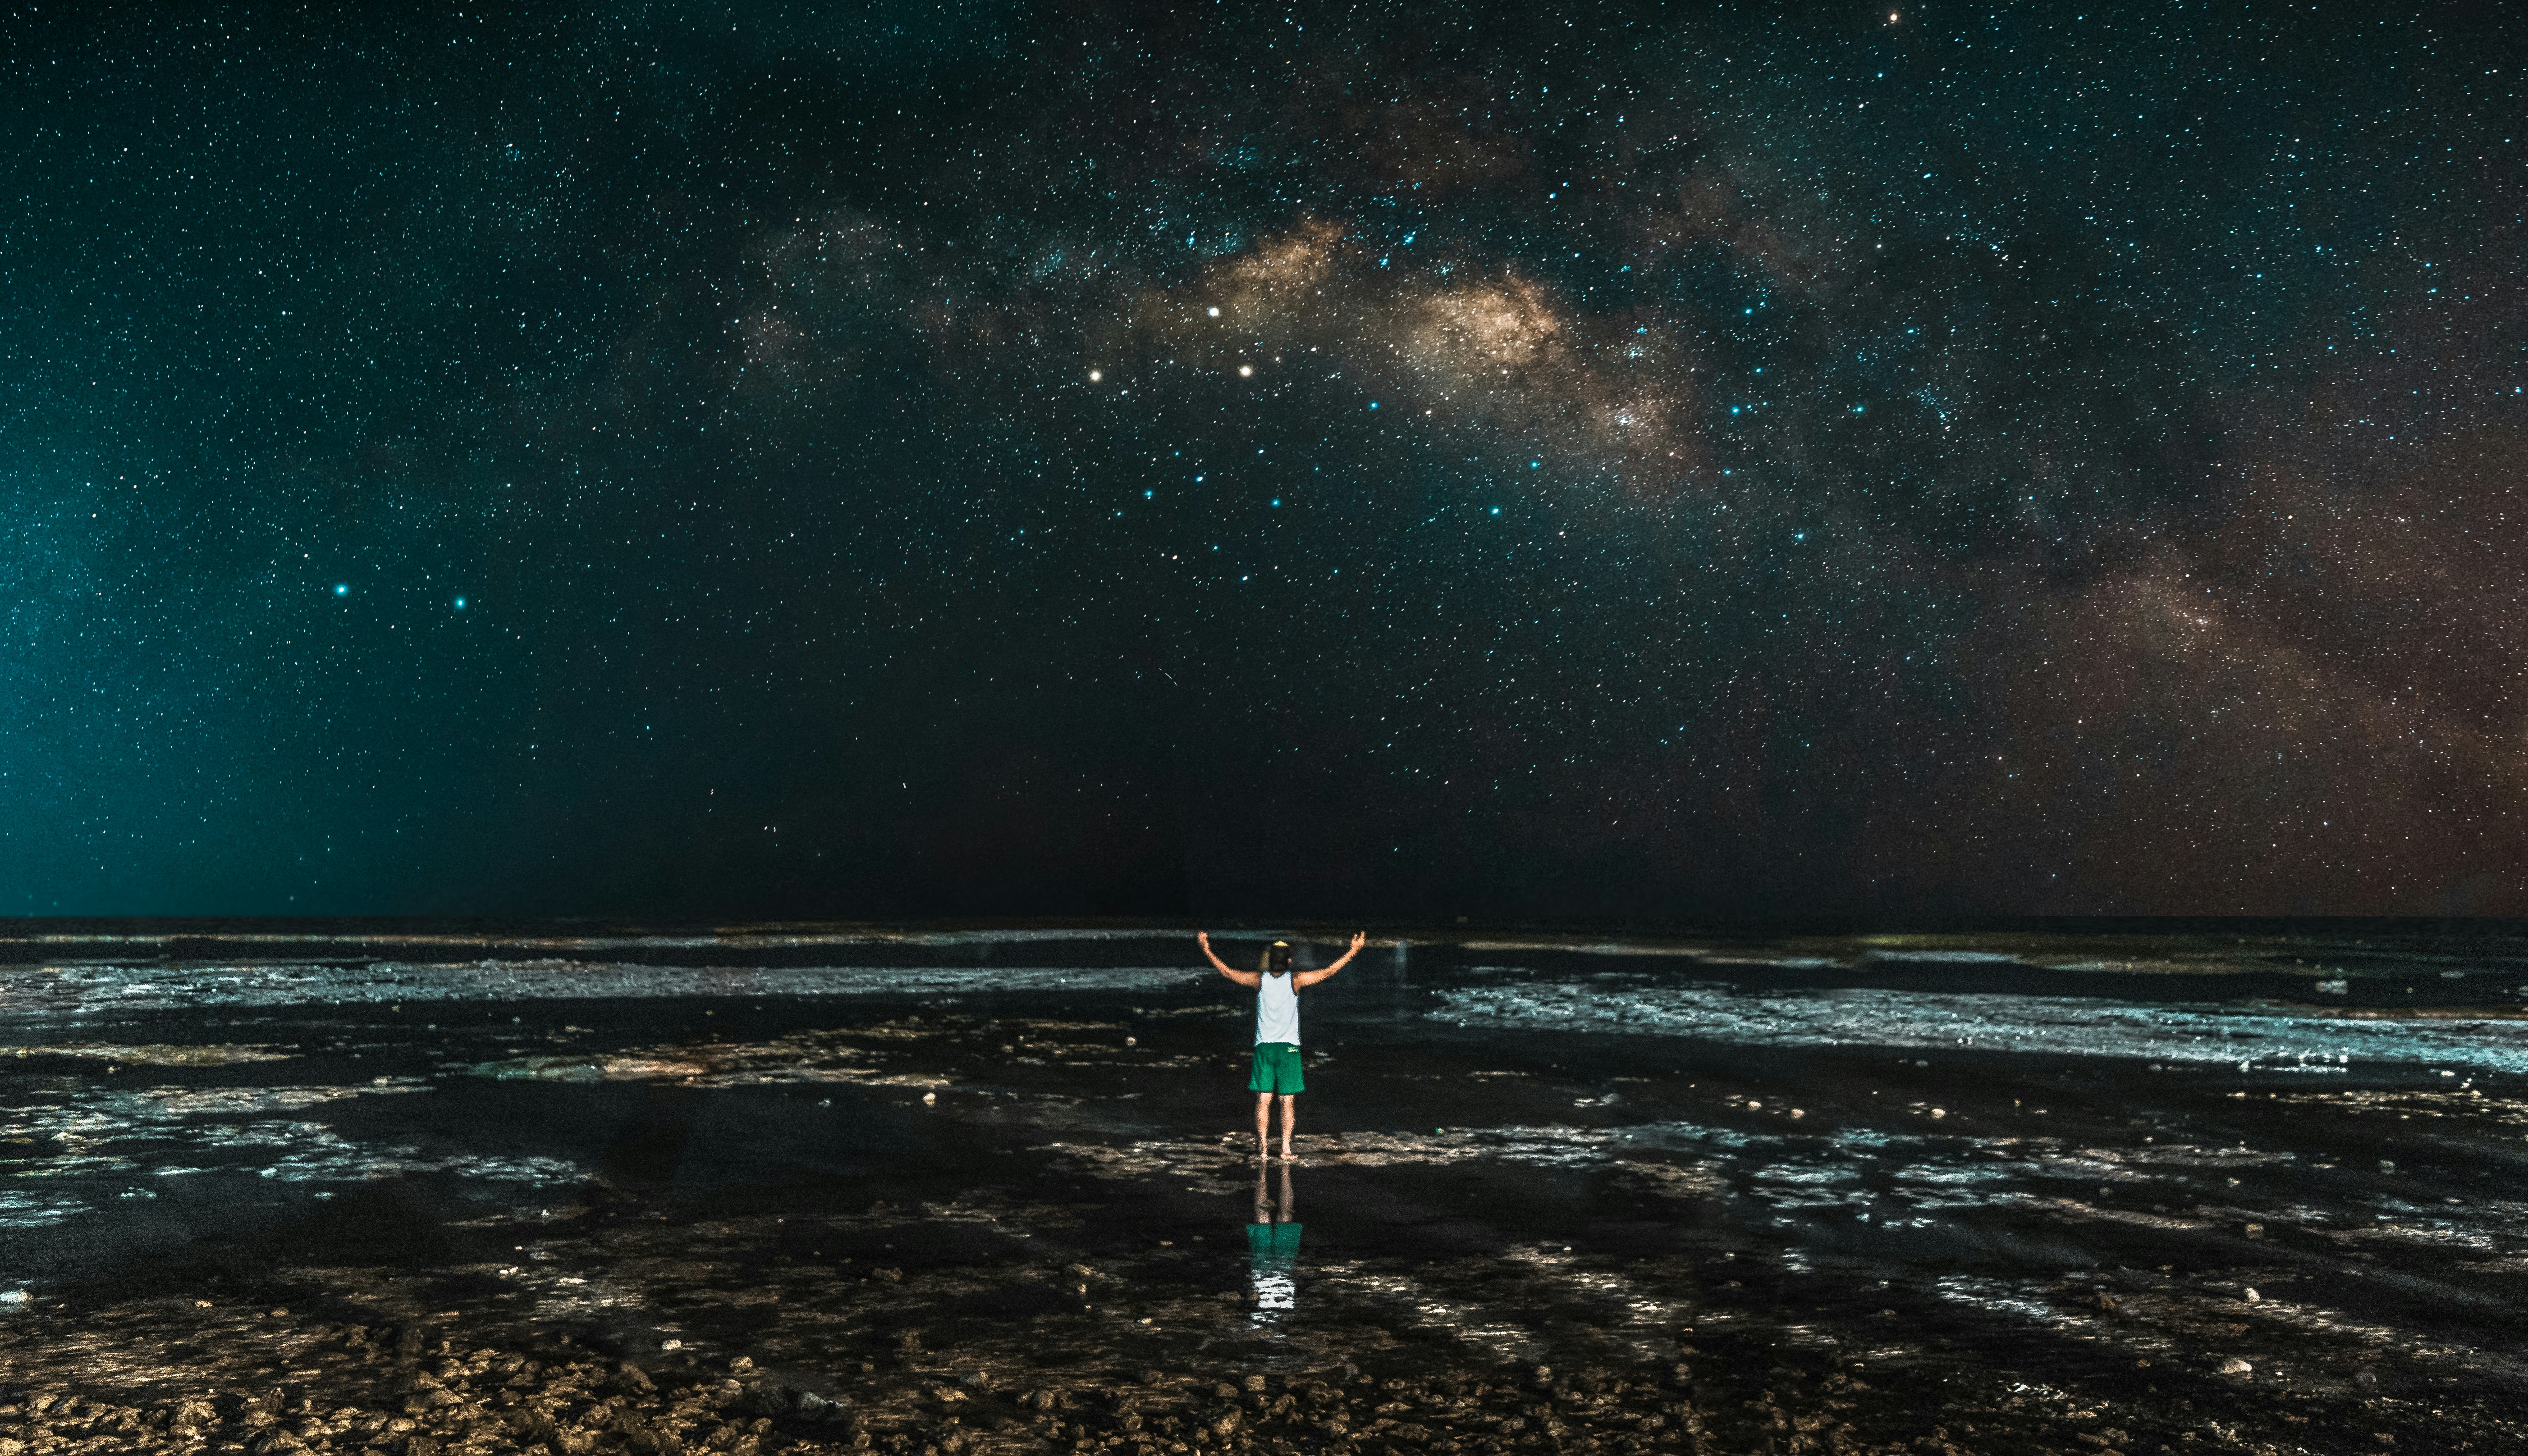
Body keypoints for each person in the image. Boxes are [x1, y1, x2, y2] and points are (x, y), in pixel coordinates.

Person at [1197, 930, 1366, 1161]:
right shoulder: (1295, 980)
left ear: (1270, 960)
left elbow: (1227, 972)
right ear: (1288, 961)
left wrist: (1206, 948)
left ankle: (1264, 1149)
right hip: (1289, 1049)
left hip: (1264, 1048)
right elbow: (1330, 971)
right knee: (1287, 1101)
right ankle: (1286, 1149)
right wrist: (1353, 951)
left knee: (1263, 1100)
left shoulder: (1259, 980)